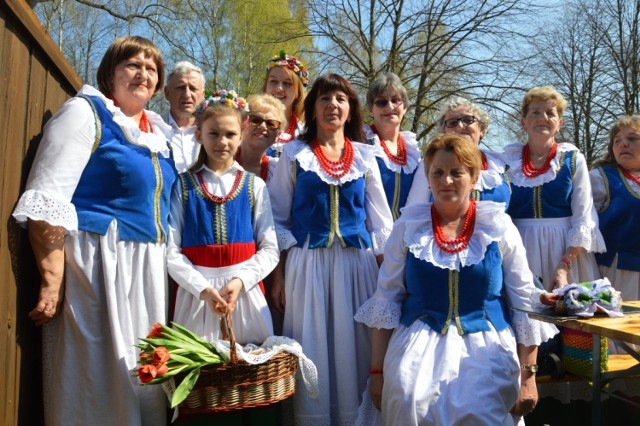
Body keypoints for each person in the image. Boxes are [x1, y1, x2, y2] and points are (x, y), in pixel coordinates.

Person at [11, 36, 177, 425]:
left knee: (141, 378)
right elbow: (46, 199)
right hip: (100, 266)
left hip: (145, 268)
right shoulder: (85, 113)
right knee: (98, 379)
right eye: (133, 65)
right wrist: (52, 279)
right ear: (110, 72)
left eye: (152, 69)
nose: (144, 74)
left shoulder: (158, 134)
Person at [354, 134, 558, 425]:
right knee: (409, 397)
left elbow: (525, 301)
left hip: (486, 345)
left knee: (482, 408)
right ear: (428, 177)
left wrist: (528, 378)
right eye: (437, 172)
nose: (446, 180)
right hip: (418, 342)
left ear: (474, 178)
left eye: (456, 172)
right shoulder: (409, 227)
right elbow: (386, 300)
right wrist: (377, 374)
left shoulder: (498, 226)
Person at [268, 73, 394, 425]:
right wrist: (277, 277)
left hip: (358, 268)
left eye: (340, 98)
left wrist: (388, 284)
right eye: (324, 98)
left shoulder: (366, 157)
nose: (332, 105)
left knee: (356, 348)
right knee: (315, 346)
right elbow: (277, 219)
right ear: (312, 108)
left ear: (350, 108)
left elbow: (381, 224)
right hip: (308, 267)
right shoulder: (294, 154)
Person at [166, 91, 280, 424]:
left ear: (242, 132)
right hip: (197, 298)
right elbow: (170, 251)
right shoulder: (184, 186)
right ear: (199, 133)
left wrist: (240, 281)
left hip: (243, 296)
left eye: (230, 134)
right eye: (213, 133)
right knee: (203, 390)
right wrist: (201, 288)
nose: (222, 142)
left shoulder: (253, 186)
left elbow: (270, 247)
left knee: (250, 388)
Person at [502, 86, 605, 290]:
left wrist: (564, 266)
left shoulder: (572, 159)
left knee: (567, 311)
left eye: (551, 113)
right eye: (535, 112)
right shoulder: (507, 160)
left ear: (560, 123)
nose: (543, 117)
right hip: (519, 248)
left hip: (566, 250)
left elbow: (584, 217)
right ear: (523, 122)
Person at [406, 96, 511, 209]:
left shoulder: (500, 165)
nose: (460, 126)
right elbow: (414, 210)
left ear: (481, 129)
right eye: (452, 123)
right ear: (444, 131)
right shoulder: (430, 163)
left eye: (468, 120)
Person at [590, 115, 640, 302]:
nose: (623, 144)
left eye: (632, 138)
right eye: (616, 141)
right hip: (618, 272)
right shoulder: (600, 179)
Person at [364, 72, 421, 220]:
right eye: (381, 102)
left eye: (396, 100)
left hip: (406, 237)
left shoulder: (413, 150)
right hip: (370, 237)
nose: (390, 106)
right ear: (371, 109)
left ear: (405, 107)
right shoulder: (362, 144)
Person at [263, 50, 308, 157]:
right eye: (273, 81)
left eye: (287, 83)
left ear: (298, 92)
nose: (279, 88)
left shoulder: (305, 133)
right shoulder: (248, 124)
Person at [163, 61, 206, 171]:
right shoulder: (153, 127)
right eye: (180, 87)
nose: (187, 94)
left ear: (202, 95)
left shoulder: (212, 130)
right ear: (167, 93)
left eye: (193, 88)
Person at [236, 94, 287, 184]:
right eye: (255, 120)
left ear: (278, 133)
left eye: (271, 123)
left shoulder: (279, 172)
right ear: (241, 124)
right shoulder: (222, 160)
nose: (263, 127)